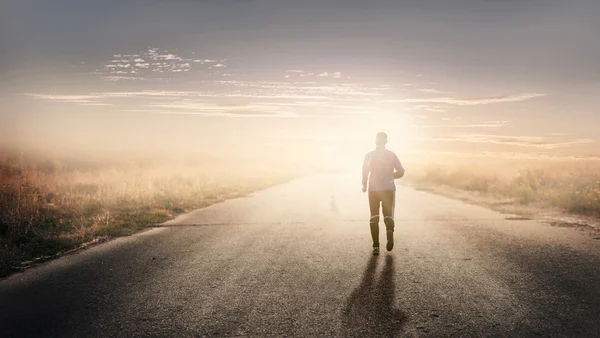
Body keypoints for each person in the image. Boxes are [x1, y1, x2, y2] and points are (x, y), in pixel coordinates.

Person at [362, 132, 405, 255]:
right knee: (388, 215)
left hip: (373, 189)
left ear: (376, 141)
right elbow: (401, 171)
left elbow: (365, 170)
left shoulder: (369, 155)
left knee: (374, 216)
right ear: (386, 141)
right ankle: (390, 231)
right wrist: (393, 176)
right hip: (388, 188)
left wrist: (364, 183)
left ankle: (376, 246)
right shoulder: (392, 155)